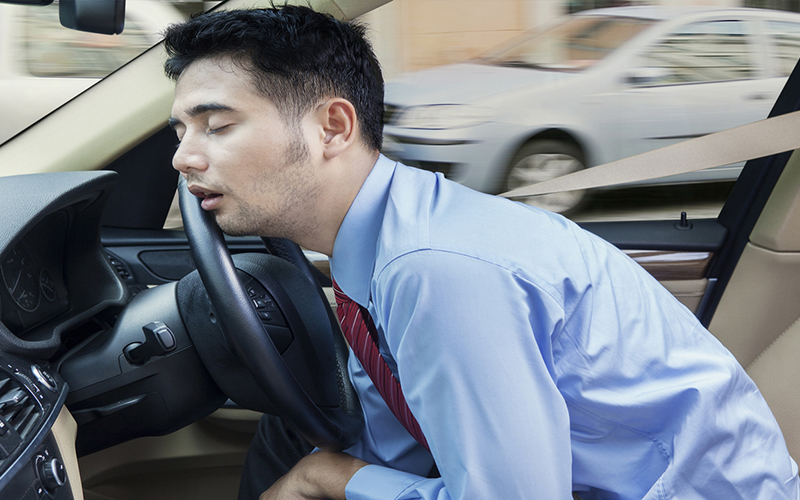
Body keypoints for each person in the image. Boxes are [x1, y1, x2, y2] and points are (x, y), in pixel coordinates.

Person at [162, 5, 799, 500]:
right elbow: (392, 412)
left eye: (217, 126)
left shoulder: (437, 268)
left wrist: (329, 478)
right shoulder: (380, 241)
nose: (184, 156)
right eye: (182, 130)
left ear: (333, 127)